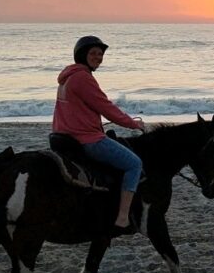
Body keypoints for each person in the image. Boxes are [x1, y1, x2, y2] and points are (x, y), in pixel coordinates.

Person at [53, 34, 146, 233]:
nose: (98, 57)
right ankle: (122, 217)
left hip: (67, 135)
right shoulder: (83, 78)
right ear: (82, 55)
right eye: (93, 53)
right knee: (134, 164)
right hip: (87, 139)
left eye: (100, 54)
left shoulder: (67, 77)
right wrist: (133, 124)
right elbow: (106, 107)